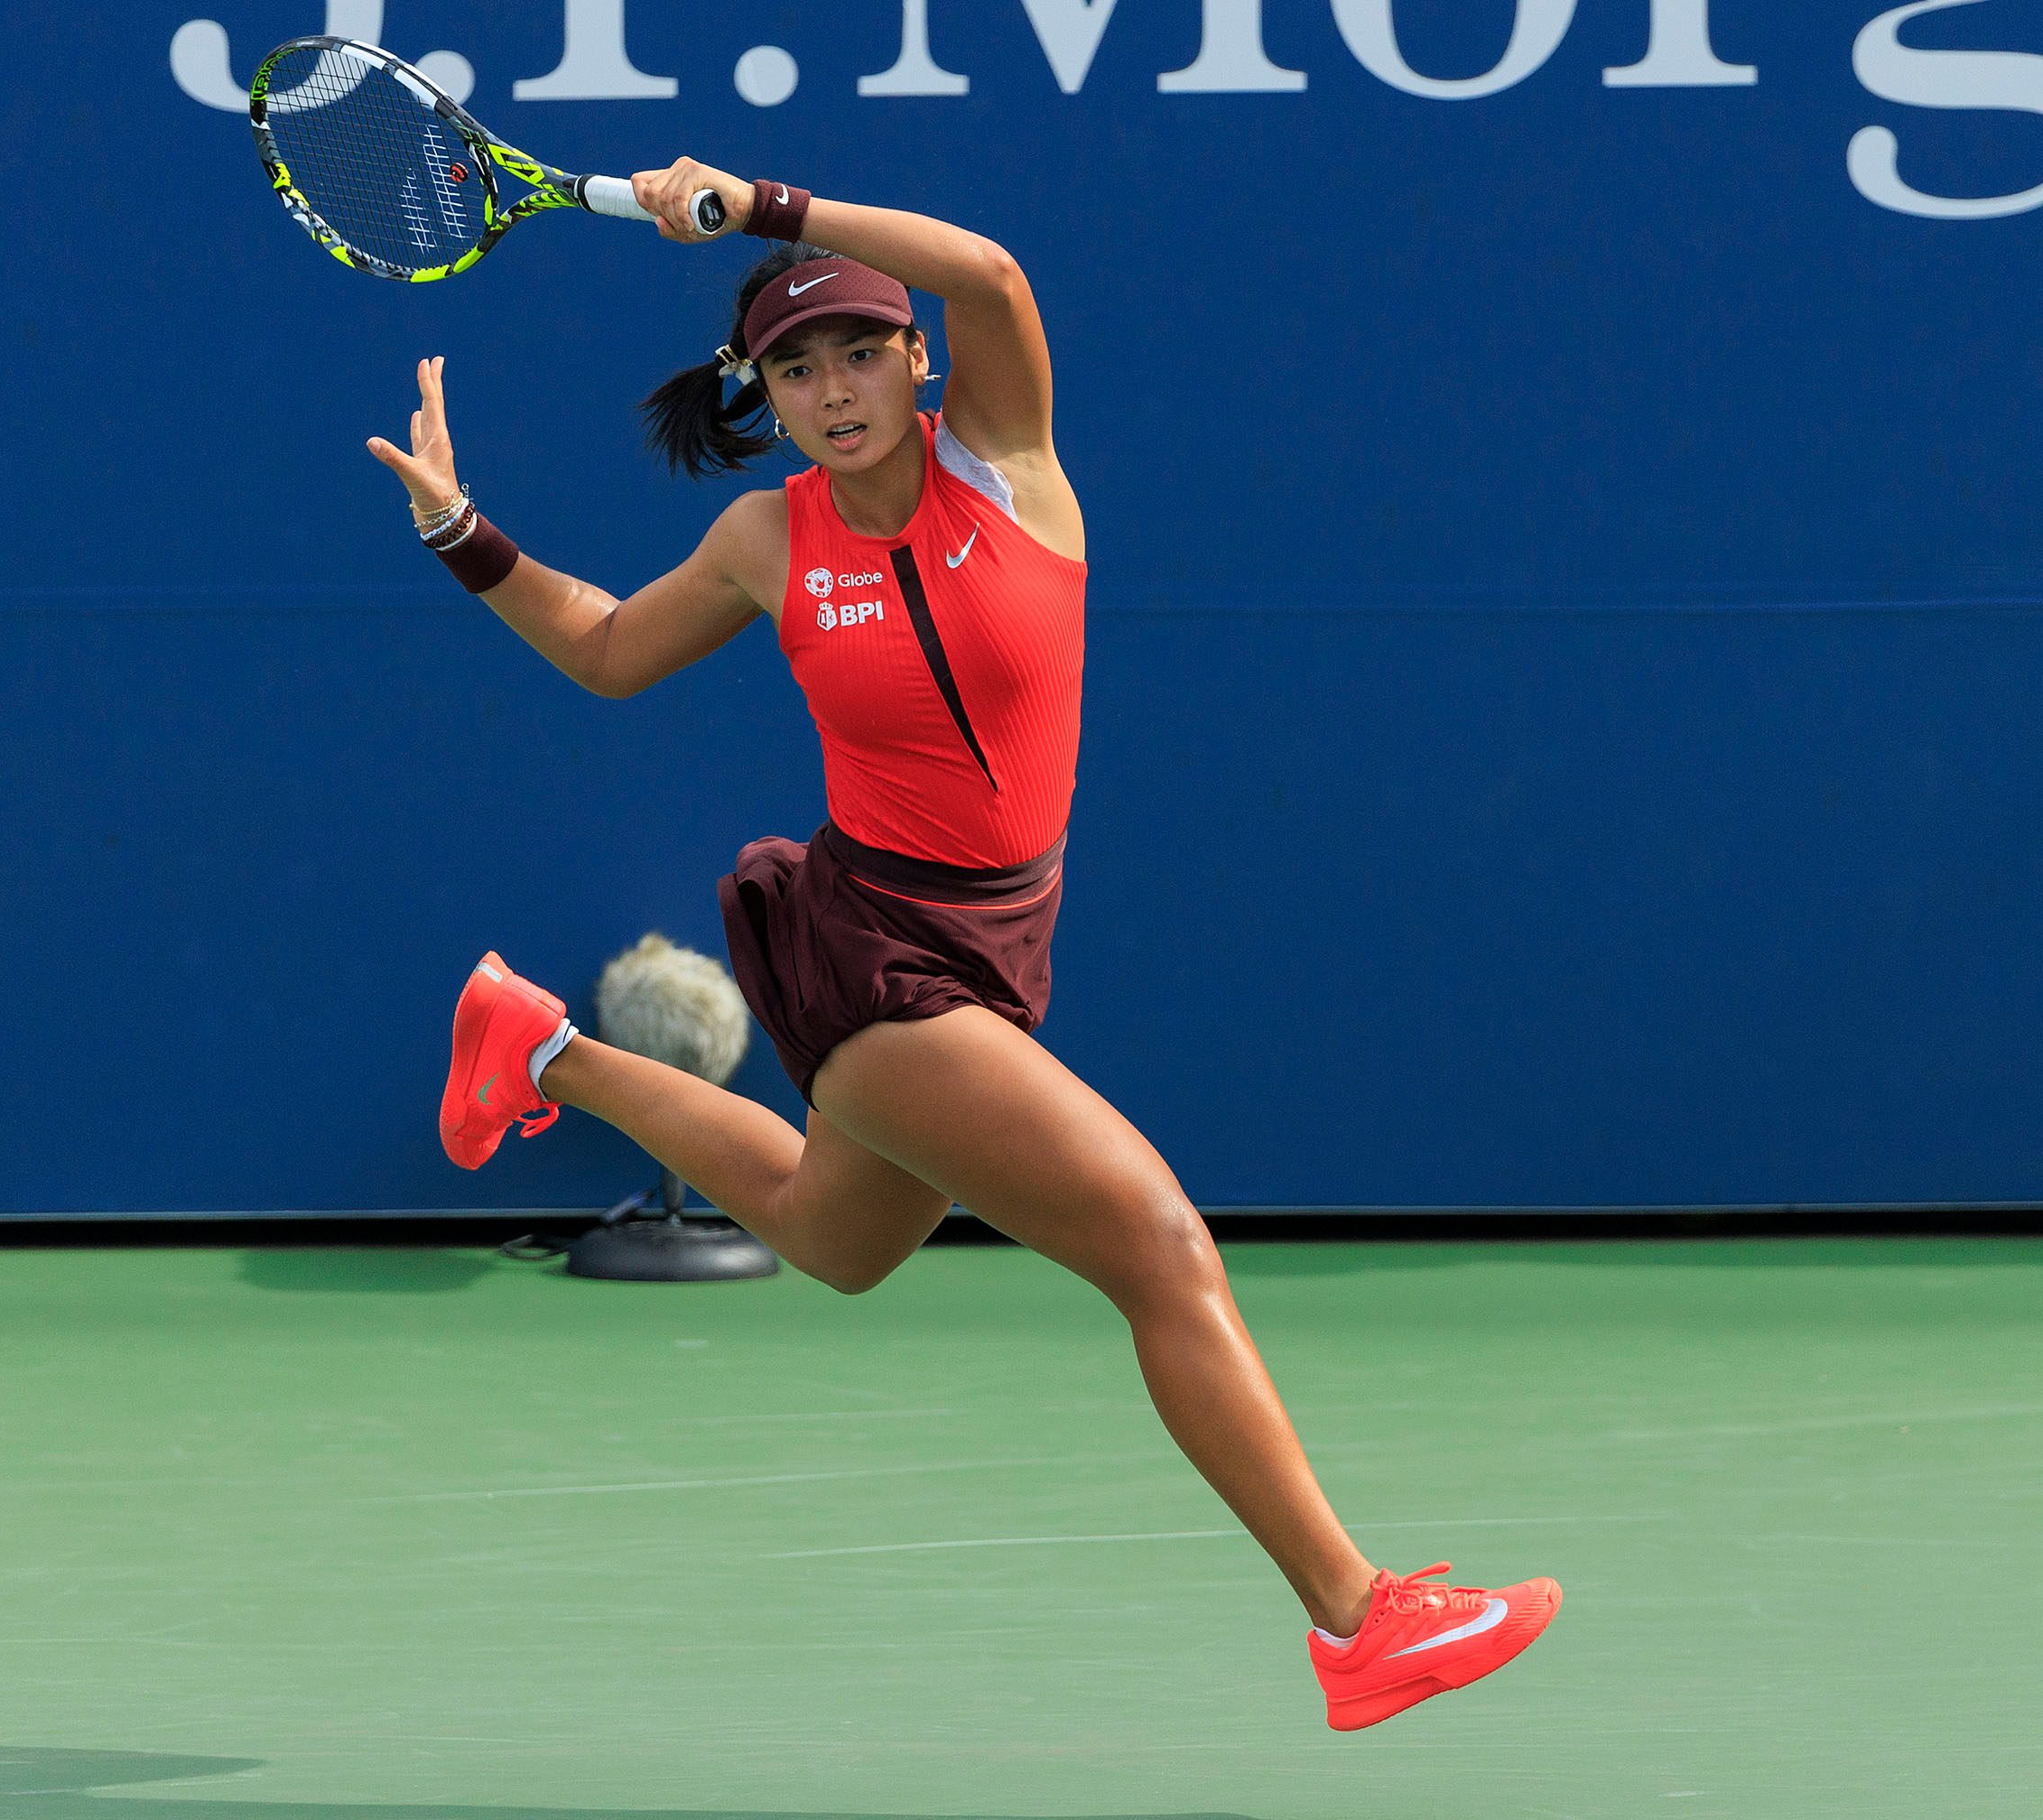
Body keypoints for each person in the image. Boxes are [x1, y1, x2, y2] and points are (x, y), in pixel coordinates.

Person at [366, 160, 1560, 1732]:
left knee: (832, 1235)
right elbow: (602, 650)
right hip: (876, 948)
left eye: (861, 350)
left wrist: (764, 209)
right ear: (766, 397)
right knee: (1160, 1246)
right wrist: (461, 531)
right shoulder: (764, 540)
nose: (834, 387)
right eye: (796, 368)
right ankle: (1357, 1617)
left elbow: (990, 271)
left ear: (916, 362)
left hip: (998, 951)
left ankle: (538, 1047)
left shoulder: (1007, 466)